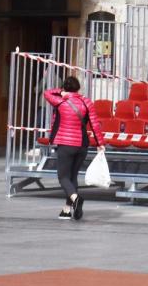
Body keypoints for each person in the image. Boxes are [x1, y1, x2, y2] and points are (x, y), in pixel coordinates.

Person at [44, 76, 106, 220]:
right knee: (73, 177)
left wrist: (61, 92)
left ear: (64, 88)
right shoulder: (86, 102)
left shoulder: (60, 101)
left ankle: (76, 199)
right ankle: (67, 209)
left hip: (65, 144)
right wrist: (100, 143)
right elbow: (95, 124)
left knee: (63, 177)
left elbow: (47, 93)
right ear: (78, 88)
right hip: (82, 145)